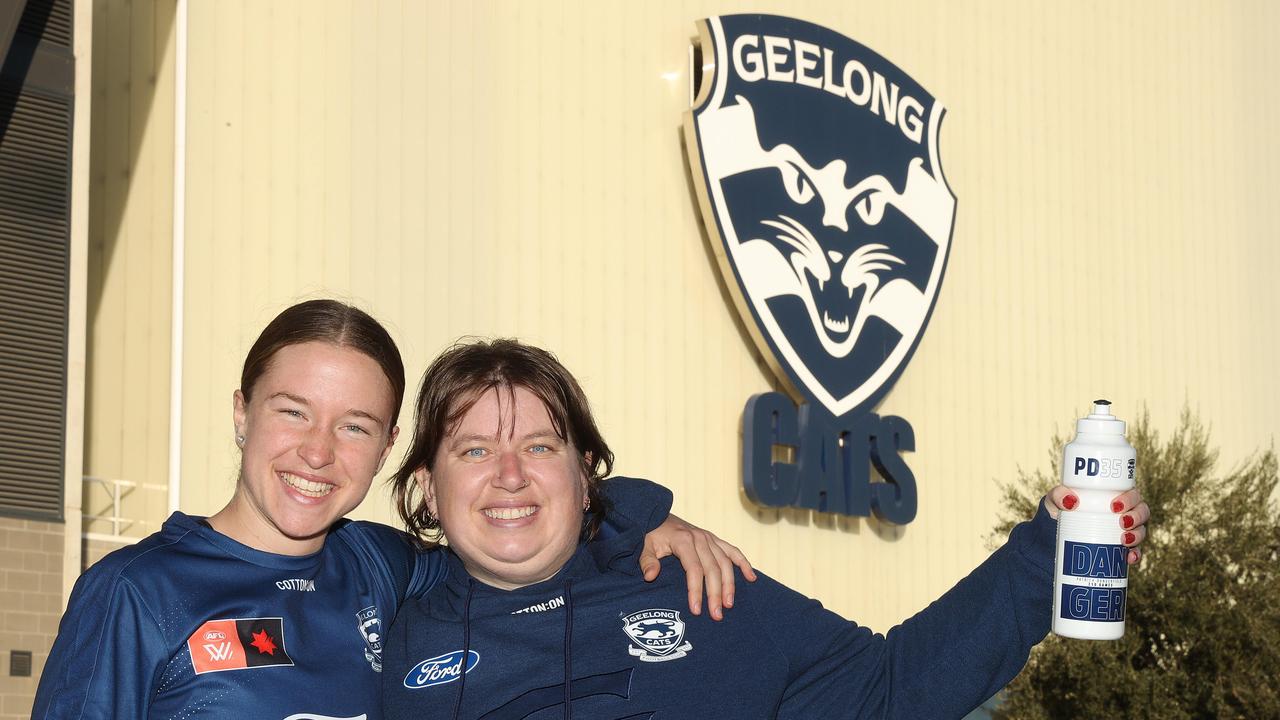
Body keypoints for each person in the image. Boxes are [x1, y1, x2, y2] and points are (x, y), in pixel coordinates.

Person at [32, 300, 751, 720]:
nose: (317, 453)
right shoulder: (136, 592)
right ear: (242, 414)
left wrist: (644, 514)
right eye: (292, 413)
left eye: (353, 426)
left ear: (386, 448)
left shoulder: (377, 566)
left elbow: (512, 521)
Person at [380, 339, 1151, 719]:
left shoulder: (696, 590)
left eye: (540, 446)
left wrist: (1049, 549)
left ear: (587, 477)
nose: (509, 475)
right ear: (426, 486)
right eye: (473, 449)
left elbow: (890, 691)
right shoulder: (384, 633)